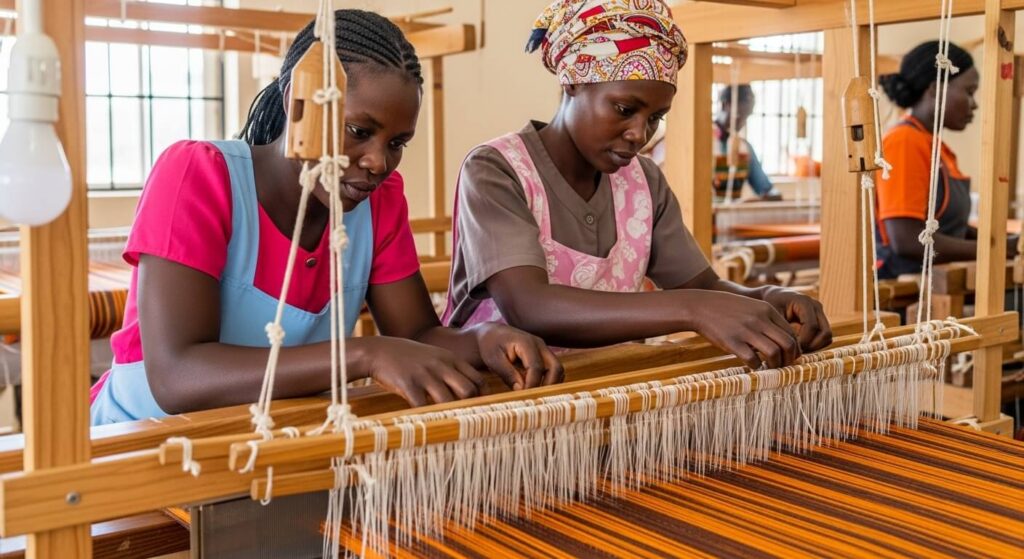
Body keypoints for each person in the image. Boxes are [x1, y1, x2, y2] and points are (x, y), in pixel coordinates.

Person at [90, 10, 560, 426]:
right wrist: (363, 354)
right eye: (359, 131)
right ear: (301, 104)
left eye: (397, 143)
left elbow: (416, 335)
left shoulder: (379, 202)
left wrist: (483, 339)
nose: (379, 161)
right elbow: (177, 377)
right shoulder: (199, 175)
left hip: (272, 452)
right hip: (138, 445)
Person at [443, 0, 832, 371]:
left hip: (611, 397)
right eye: (625, 110)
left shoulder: (644, 182)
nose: (639, 134)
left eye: (655, 118)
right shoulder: (497, 170)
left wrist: (764, 300)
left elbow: (703, 285)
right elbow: (529, 306)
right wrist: (693, 310)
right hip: (504, 409)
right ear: (572, 83)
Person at [876, 41, 1017, 279]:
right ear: (934, 89)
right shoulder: (904, 142)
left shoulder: (936, 147)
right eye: (969, 92)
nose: (974, 104)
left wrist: (1006, 243)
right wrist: (996, 250)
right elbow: (907, 240)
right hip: (900, 290)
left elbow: (952, 229)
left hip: (932, 284)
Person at [713, 85, 779, 200]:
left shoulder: (745, 148)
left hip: (733, 215)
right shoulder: (703, 143)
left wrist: (772, 195)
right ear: (724, 105)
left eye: (746, 117)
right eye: (739, 116)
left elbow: (764, 188)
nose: (742, 123)